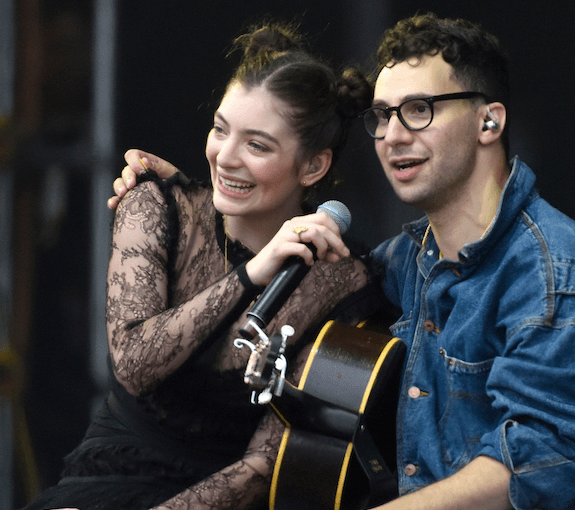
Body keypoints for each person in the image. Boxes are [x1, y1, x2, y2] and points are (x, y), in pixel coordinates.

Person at [111, 13, 575, 510]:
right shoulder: (405, 262)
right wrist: (191, 196)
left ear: (489, 123)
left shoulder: (559, 280)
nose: (393, 135)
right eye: (382, 116)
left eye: (419, 111)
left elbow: (525, 468)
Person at [23, 20, 379, 510]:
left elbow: (267, 463)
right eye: (219, 129)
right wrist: (253, 274)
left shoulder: (342, 282)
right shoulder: (155, 207)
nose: (225, 157)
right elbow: (133, 364)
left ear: (313, 166)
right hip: (108, 483)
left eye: (257, 145)